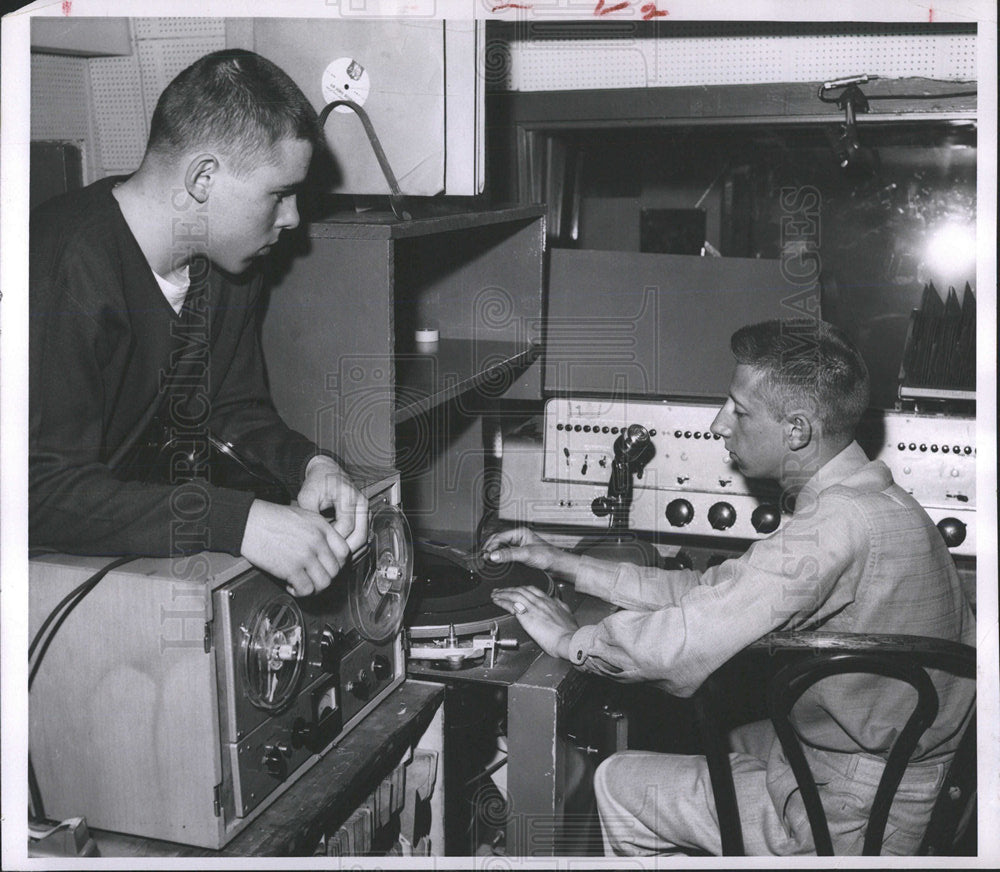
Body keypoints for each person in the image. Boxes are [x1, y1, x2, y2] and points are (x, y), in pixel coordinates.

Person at [484, 318, 975, 856]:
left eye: (739, 411)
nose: (720, 424)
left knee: (618, 782)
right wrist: (568, 563)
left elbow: (674, 651)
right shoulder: (872, 499)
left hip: (858, 816)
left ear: (796, 430)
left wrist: (569, 640)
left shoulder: (832, 530)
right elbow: (712, 590)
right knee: (724, 740)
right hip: (887, 772)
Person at [30, 50, 367, 598]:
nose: (293, 219)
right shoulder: (61, 268)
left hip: (108, 561)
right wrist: (240, 522)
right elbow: (35, 493)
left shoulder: (229, 266)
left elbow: (232, 409)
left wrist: (312, 464)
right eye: (279, 194)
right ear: (203, 178)